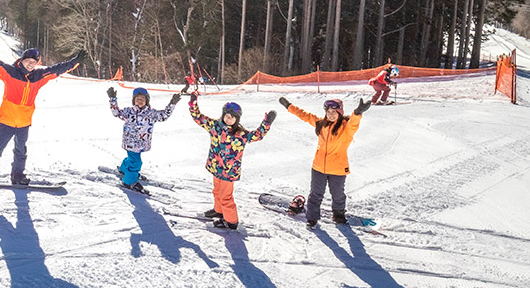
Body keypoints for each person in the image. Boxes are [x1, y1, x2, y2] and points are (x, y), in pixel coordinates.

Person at [0, 36, 83, 190]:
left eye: (34, 62)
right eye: (28, 61)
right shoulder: (10, 72)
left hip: (23, 123)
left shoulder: (38, 77)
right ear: (22, 60)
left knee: (21, 152)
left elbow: (57, 69)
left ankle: (17, 177)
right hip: (7, 121)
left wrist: (75, 61)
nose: (31, 64)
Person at [279, 95, 371, 227]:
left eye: (334, 112)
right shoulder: (321, 124)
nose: (331, 114)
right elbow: (305, 115)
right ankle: (312, 218)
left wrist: (357, 112)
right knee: (315, 194)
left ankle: (339, 215)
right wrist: (289, 106)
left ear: (340, 112)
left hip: (338, 169)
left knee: (338, 195)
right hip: (318, 168)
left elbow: (354, 123)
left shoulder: (346, 128)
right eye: (328, 112)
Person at [189, 91, 275, 230]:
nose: (229, 119)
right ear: (223, 115)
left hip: (229, 171)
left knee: (226, 196)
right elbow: (199, 118)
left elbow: (257, 135)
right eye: (227, 116)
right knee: (217, 191)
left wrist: (267, 122)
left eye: (232, 118)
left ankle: (231, 221)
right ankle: (218, 211)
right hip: (216, 166)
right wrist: (193, 104)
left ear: (237, 119)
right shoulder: (214, 127)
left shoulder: (240, 134)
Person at [107, 85, 180, 193]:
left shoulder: (151, 114)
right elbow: (116, 113)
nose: (140, 101)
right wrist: (112, 99)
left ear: (147, 101)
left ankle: (124, 169)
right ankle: (129, 181)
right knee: (136, 162)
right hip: (130, 142)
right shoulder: (129, 112)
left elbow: (164, 115)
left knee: (132, 159)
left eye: (142, 99)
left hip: (142, 143)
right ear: (133, 101)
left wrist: (172, 103)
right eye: (137, 99)